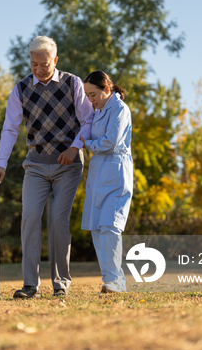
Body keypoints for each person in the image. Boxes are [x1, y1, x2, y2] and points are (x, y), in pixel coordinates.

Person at [0, 36, 93, 298]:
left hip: (67, 165)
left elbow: (88, 120)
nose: (38, 69)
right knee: (30, 218)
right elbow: (10, 129)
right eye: (34, 64)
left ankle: (61, 284)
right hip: (35, 165)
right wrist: (0, 163)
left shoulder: (72, 83)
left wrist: (75, 147)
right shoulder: (21, 90)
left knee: (58, 221)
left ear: (55, 61)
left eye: (44, 65)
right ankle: (30, 285)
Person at [80, 70, 133, 293]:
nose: (90, 100)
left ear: (107, 89)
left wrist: (89, 143)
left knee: (111, 226)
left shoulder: (119, 109)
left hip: (115, 172)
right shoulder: (98, 110)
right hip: (98, 173)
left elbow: (110, 142)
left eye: (93, 95)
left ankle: (115, 282)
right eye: (87, 96)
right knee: (96, 228)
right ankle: (111, 280)